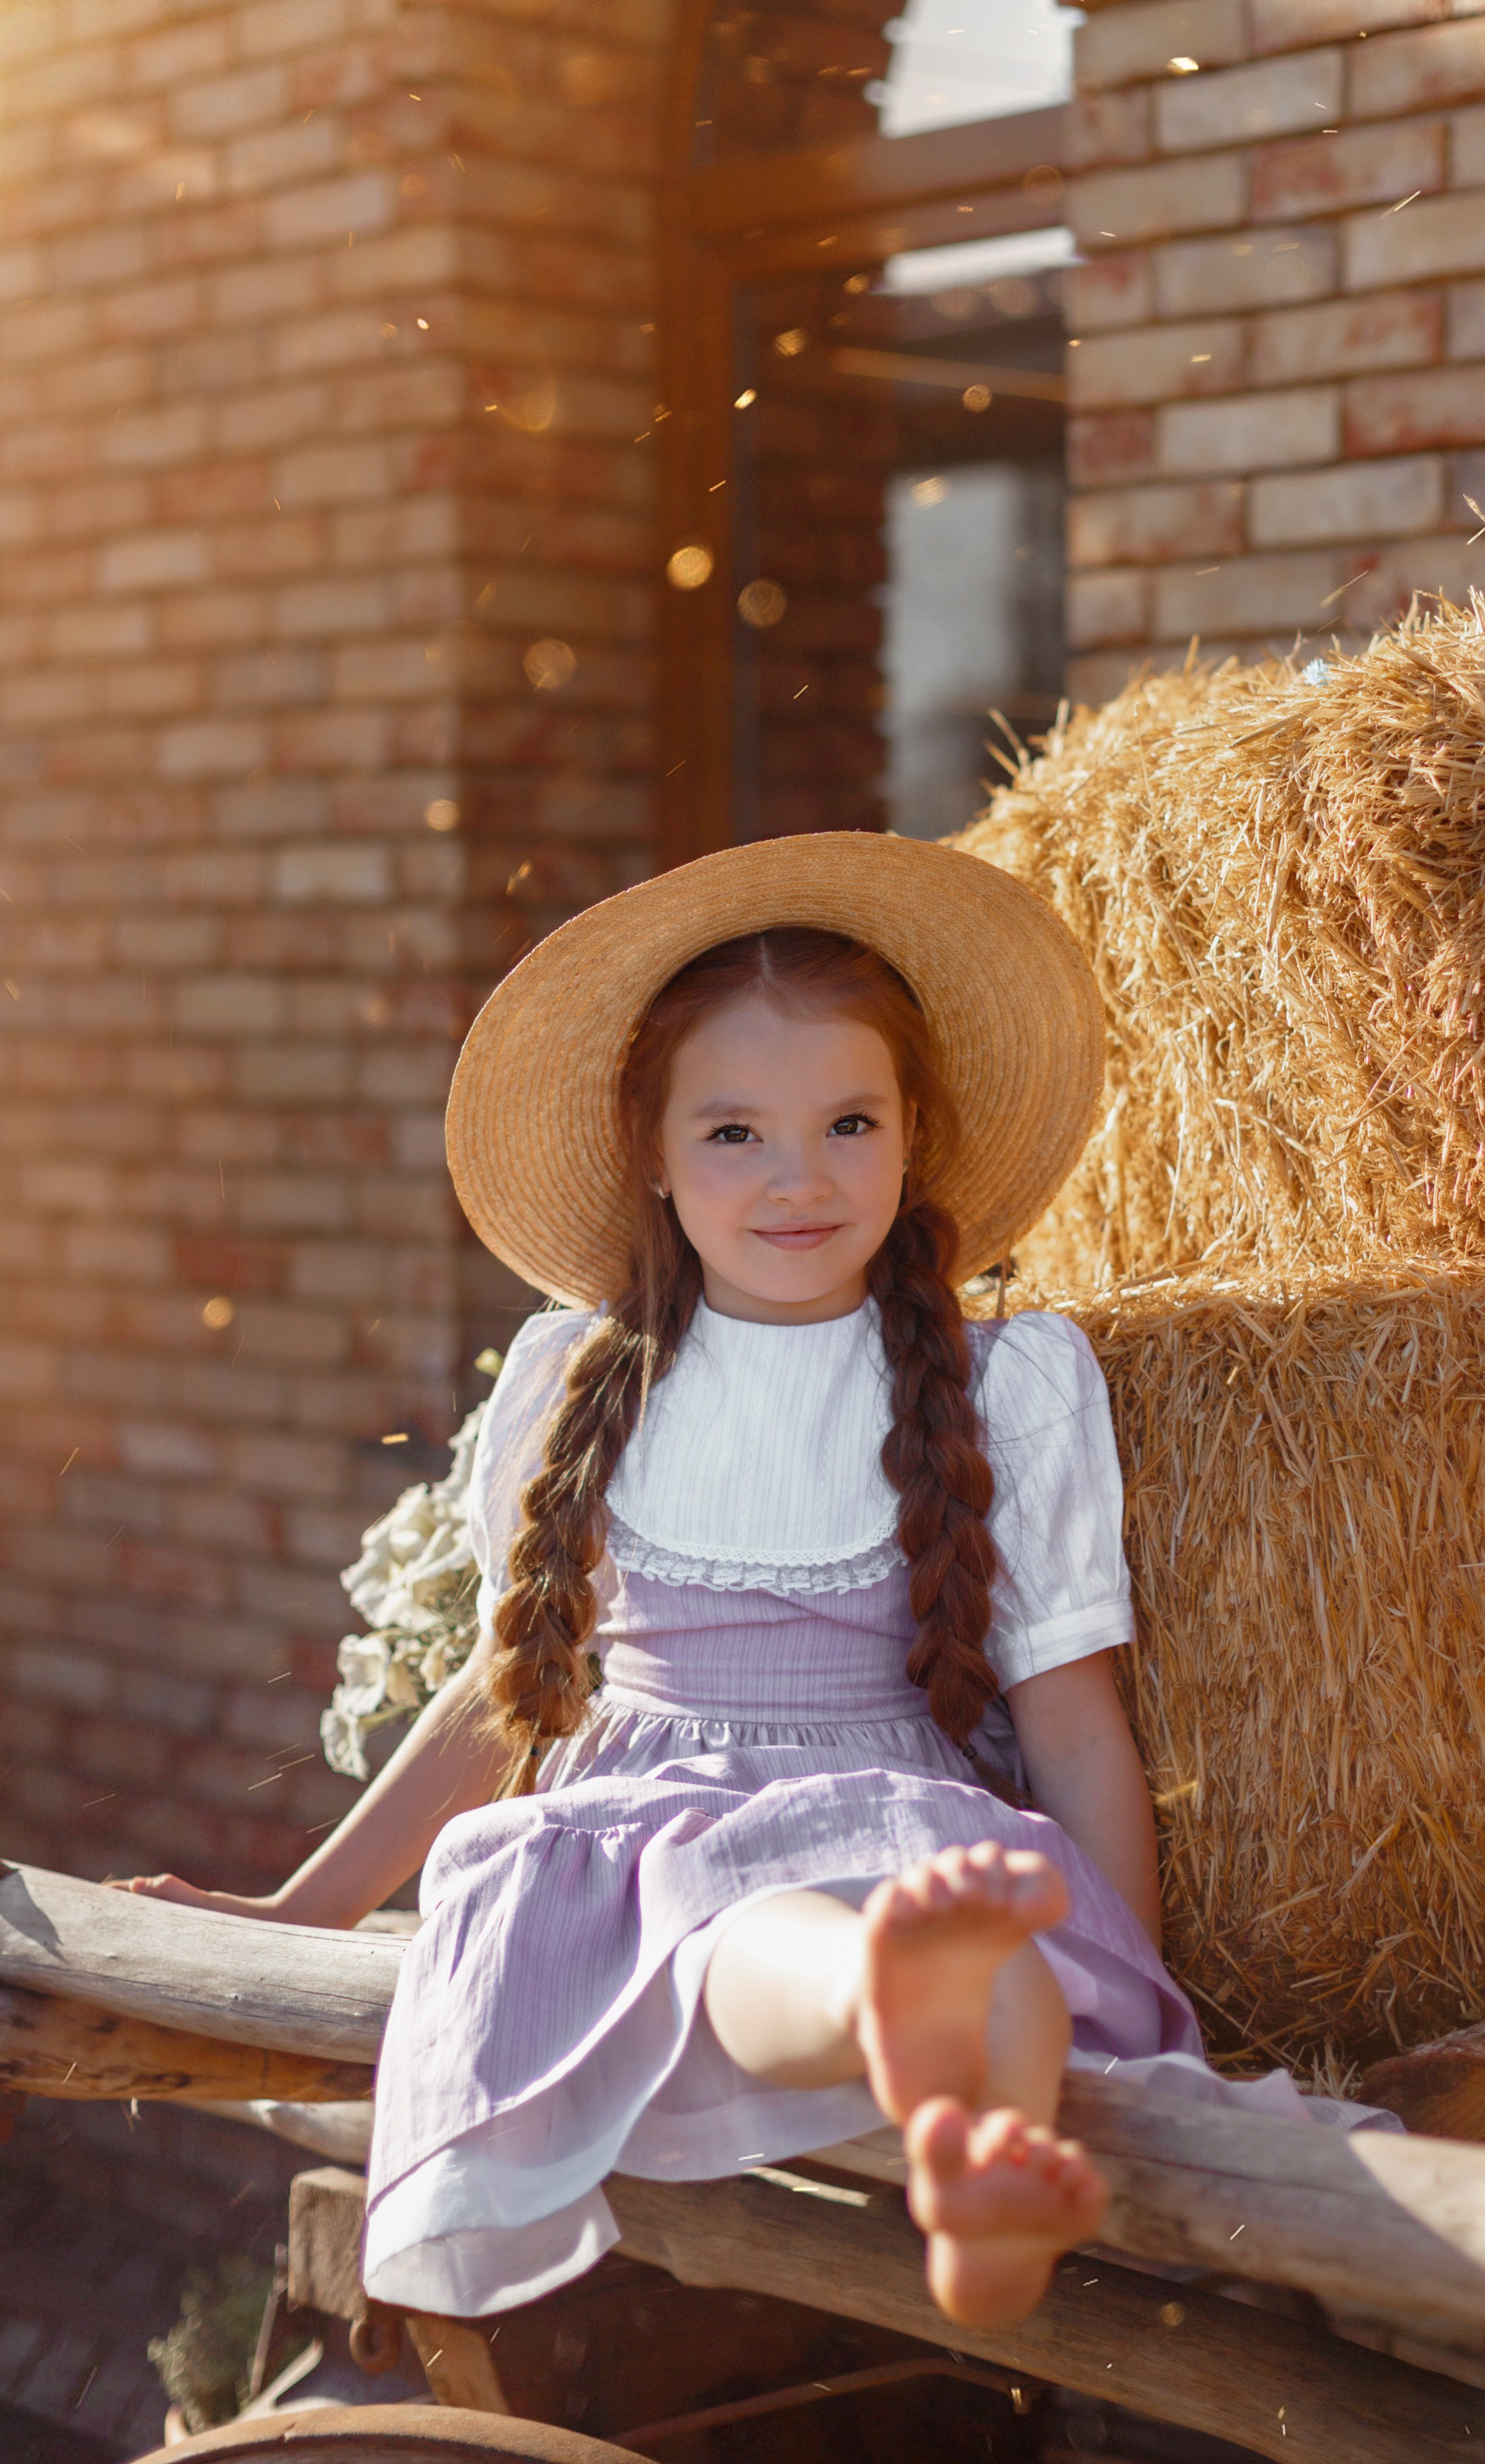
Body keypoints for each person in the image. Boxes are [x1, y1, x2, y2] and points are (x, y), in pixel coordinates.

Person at [126, 834, 1370, 2332]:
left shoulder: (1008, 1384)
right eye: (734, 1133)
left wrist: (1138, 2015)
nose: (800, 1178)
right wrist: (302, 1907)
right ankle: (882, 1993)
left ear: (912, 1133)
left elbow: (1075, 1729)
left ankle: (985, 2170)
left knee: (1014, 1964)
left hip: (902, 1810)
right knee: (744, 1940)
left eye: (848, 1122)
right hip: (649, 1841)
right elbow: (503, 1691)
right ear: (650, 1151)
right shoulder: (583, 1379)